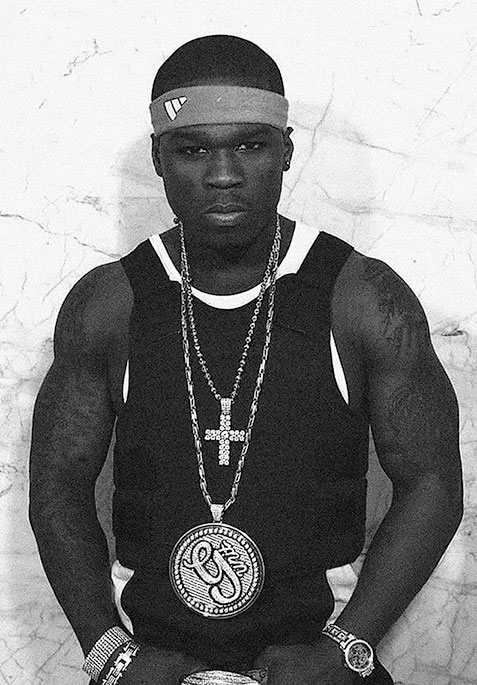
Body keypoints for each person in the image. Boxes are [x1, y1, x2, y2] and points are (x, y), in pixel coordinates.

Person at [29, 35, 463, 685]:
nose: (223, 174)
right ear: (158, 158)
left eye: (250, 146)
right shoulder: (109, 304)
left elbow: (432, 482)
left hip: (319, 657)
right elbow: (57, 487)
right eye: (193, 150)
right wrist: (109, 652)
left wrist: (346, 648)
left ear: (286, 151)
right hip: (148, 660)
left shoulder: (363, 299)